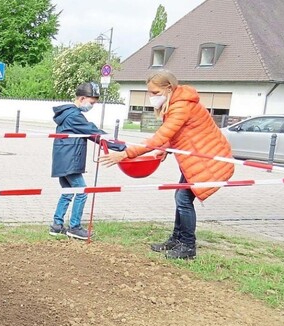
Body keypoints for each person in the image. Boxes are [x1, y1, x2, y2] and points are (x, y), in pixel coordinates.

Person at [100, 70, 234, 259]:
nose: (151, 97)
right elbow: (179, 134)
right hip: (195, 159)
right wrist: (166, 148)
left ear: (168, 88)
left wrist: (125, 154)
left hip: (206, 159)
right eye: (149, 93)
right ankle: (177, 239)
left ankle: (187, 247)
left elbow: (160, 136)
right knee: (180, 197)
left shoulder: (181, 106)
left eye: (155, 93)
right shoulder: (178, 104)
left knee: (183, 200)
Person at [49, 81, 125, 240]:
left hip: (63, 159)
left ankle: (56, 226)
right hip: (69, 160)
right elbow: (94, 133)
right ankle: (74, 227)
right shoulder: (74, 116)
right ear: (82, 98)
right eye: (91, 102)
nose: (92, 106)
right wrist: (119, 146)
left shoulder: (67, 114)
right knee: (82, 191)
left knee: (68, 193)